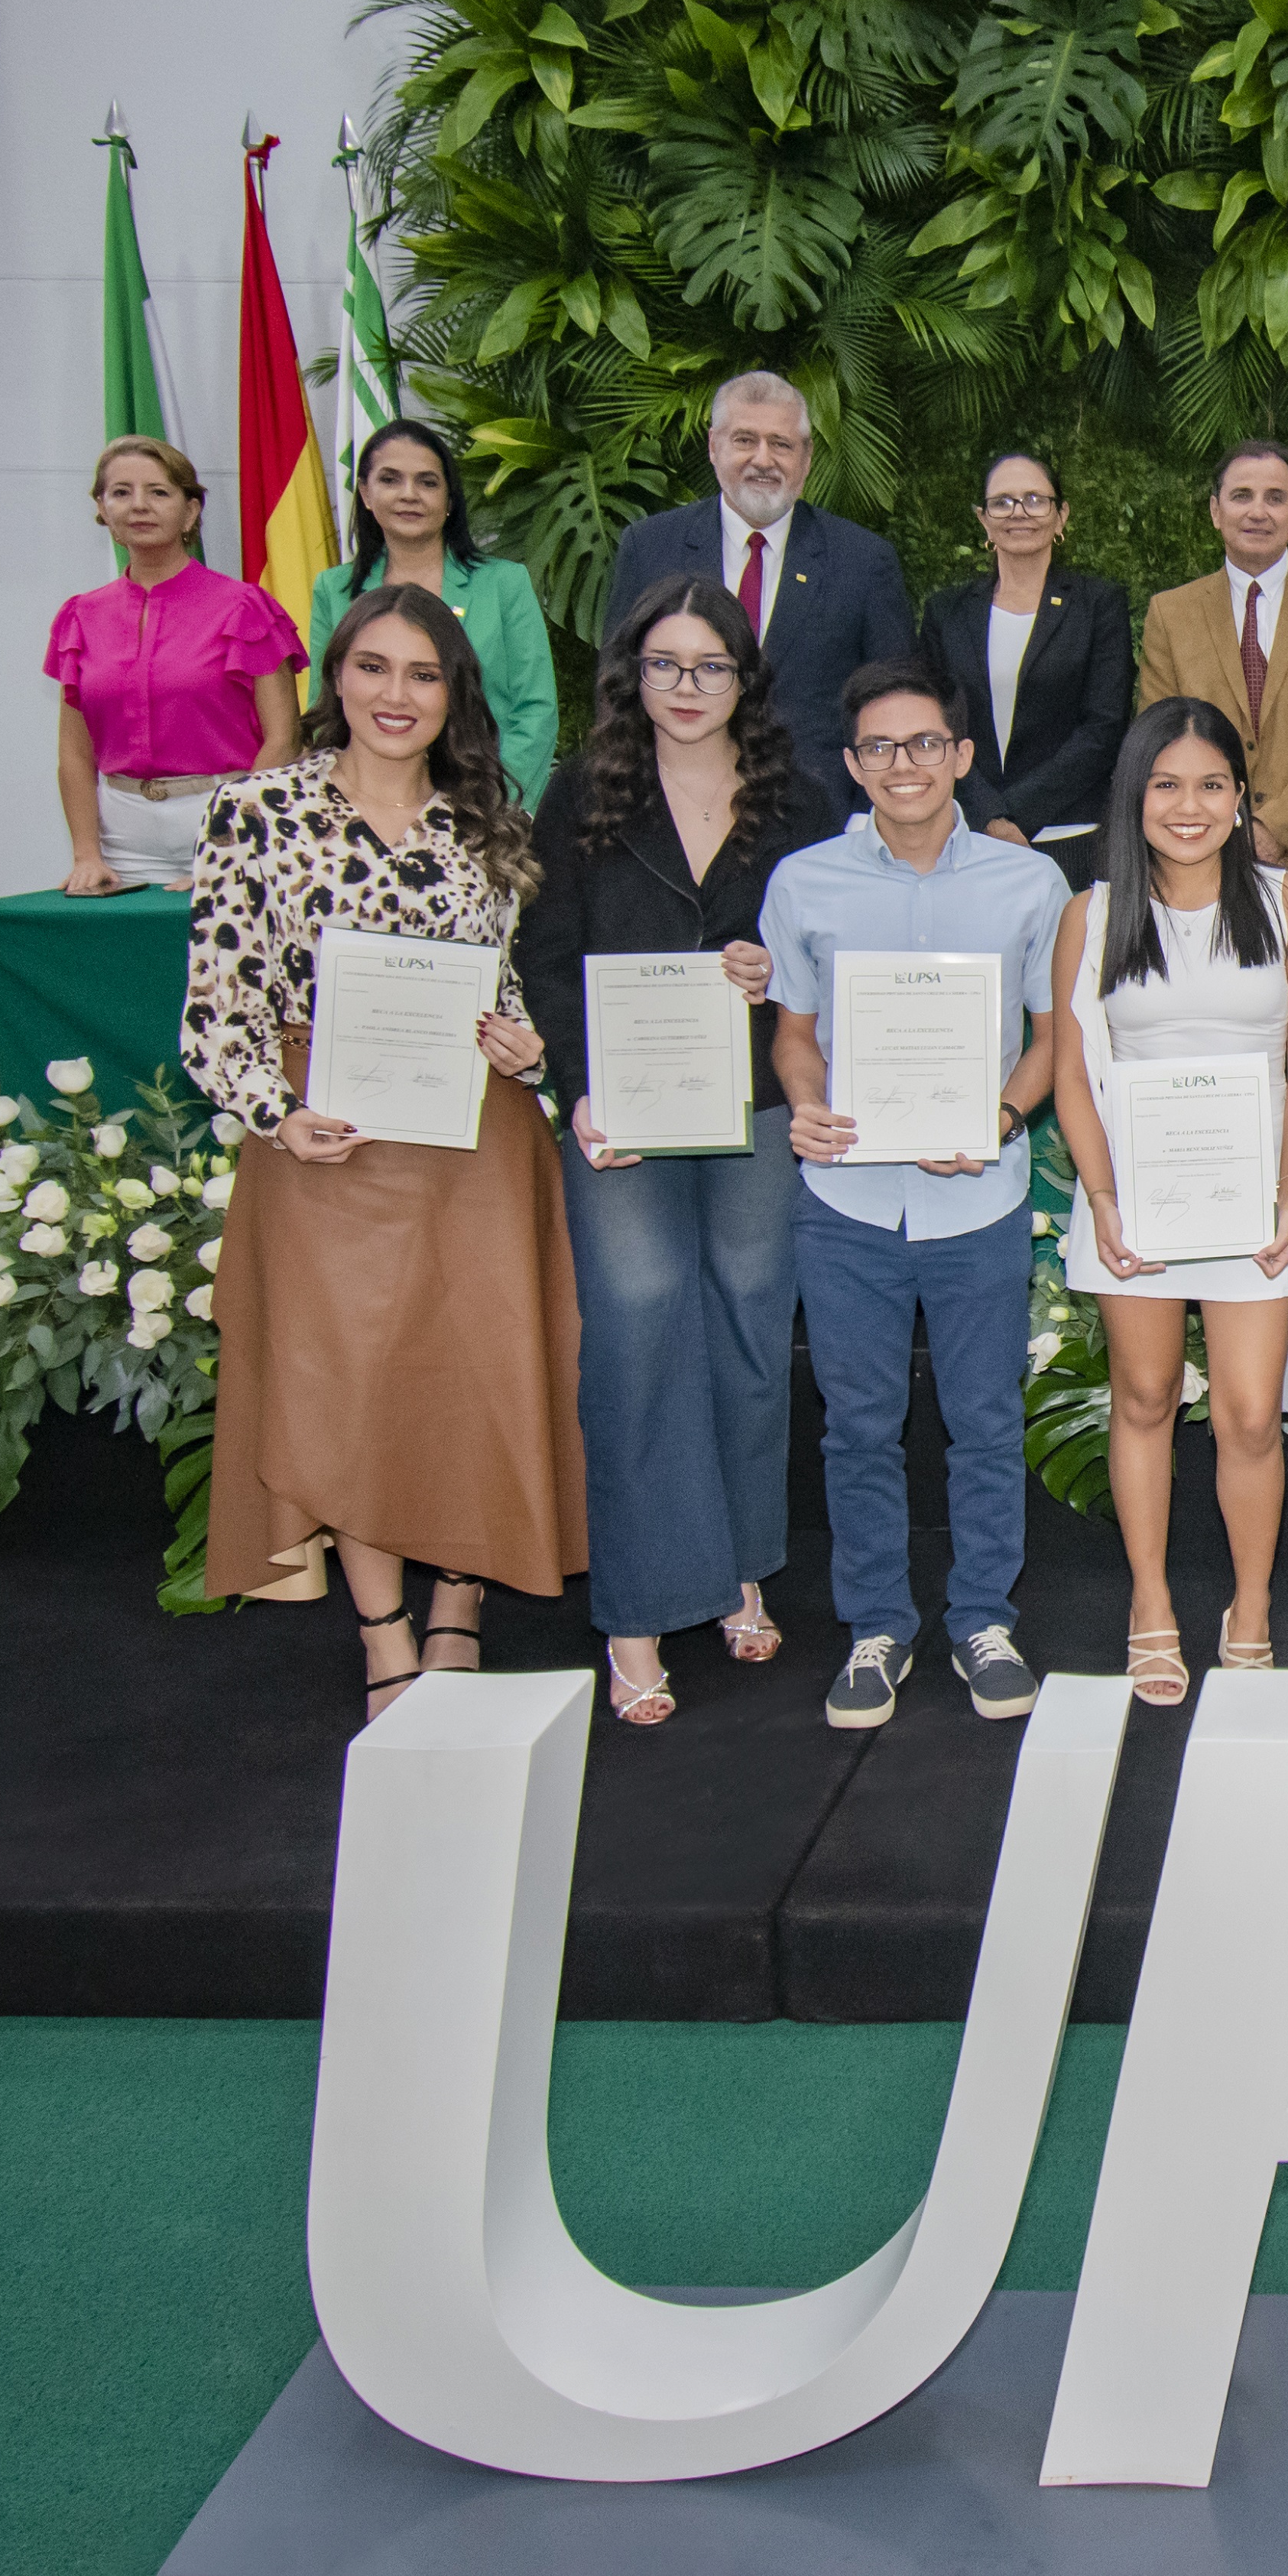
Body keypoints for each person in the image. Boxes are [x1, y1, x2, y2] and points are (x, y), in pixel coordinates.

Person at [182, 584, 580, 1720]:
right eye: (372, 668)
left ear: (452, 692)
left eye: (421, 674)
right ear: (337, 678)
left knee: (472, 1371)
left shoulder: (492, 825)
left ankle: (458, 1607)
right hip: (329, 1143)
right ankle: (385, 1630)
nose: (394, 695)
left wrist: (530, 1046)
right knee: (348, 1383)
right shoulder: (257, 811)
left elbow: (514, 990)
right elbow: (218, 1003)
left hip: (473, 1139)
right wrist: (275, 1109)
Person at [513, 577, 839, 1727]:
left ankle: (743, 1560)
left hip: (754, 1103)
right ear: (631, 676)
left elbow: (834, 947)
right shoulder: (580, 794)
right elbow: (546, 956)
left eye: (709, 666)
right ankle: (641, 1604)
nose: (687, 688)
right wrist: (578, 1086)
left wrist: (775, 972)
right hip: (628, 1117)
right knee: (642, 1323)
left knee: (752, 1326)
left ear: (745, 677)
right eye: (665, 665)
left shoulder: (801, 800)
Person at [760, 661, 1067, 1732]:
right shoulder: (804, 882)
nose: (906, 765)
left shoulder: (1028, 886)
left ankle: (984, 1615)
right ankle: (877, 1628)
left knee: (984, 1421)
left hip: (978, 1197)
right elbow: (795, 1035)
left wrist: (998, 1118)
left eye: (926, 743)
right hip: (846, 1198)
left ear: (962, 757)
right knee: (858, 1427)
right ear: (852, 766)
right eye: (882, 748)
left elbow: (1052, 1040)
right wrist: (806, 1102)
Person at [1049, 698, 1288, 1699]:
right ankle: (1152, 1601)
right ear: (1135, 795)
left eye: (1212, 783)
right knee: (1143, 1396)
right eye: (1166, 783)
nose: (1190, 804)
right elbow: (1073, 1071)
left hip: (1256, 1199)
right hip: (1134, 1201)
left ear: (1238, 794)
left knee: (1252, 1415)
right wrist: (1106, 1196)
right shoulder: (1091, 914)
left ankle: (1249, 1604)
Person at [605, 372, 916, 812]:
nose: (763, 459)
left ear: (806, 459)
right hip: (671, 813)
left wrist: (868, 820)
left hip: (817, 819)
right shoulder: (650, 548)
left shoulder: (864, 563)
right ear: (714, 447)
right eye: (745, 440)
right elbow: (616, 685)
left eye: (782, 444)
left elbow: (894, 706)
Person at [50, 436, 301, 894]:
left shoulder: (244, 607)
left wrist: (233, 844)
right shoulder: (79, 616)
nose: (139, 505)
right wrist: (87, 854)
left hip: (226, 819)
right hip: (121, 835)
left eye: (158, 492)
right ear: (102, 509)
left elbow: (283, 739)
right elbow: (74, 751)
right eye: (121, 492)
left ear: (190, 512)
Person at [1137, 440, 1288, 898]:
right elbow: (1161, 742)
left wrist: (1271, 828)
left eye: (1275, 497)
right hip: (1201, 865)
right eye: (1242, 495)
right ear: (1215, 510)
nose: (1258, 512)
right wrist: (1225, 824)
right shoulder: (1171, 614)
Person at [310, 421, 560, 808]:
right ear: (366, 493)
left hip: (487, 805)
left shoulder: (504, 584)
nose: (409, 495)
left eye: (427, 483)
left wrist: (491, 807)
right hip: (368, 809)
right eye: (390, 480)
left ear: (450, 500)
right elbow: (327, 710)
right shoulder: (336, 590)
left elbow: (536, 710)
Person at [925, 450, 1134, 892]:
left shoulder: (1099, 606)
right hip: (966, 833)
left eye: (1036, 500)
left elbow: (1104, 726)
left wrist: (1017, 815)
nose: (1019, 512)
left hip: (1069, 836)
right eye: (1003, 502)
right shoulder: (946, 612)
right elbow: (932, 721)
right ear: (983, 519)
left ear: (1061, 516)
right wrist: (986, 815)